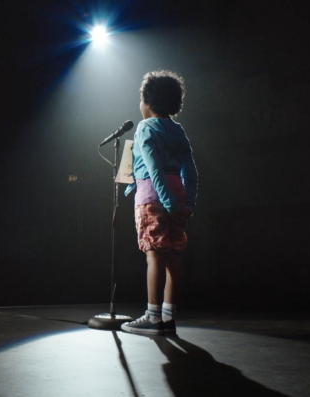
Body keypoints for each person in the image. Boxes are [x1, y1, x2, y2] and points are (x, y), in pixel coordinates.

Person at [120, 70, 198, 336]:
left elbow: (153, 168)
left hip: (152, 197)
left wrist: (165, 201)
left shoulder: (145, 127)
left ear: (148, 102)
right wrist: (186, 203)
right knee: (174, 256)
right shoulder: (177, 130)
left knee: (153, 255)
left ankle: (152, 317)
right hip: (176, 193)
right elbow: (191, 170)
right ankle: (168, 317)